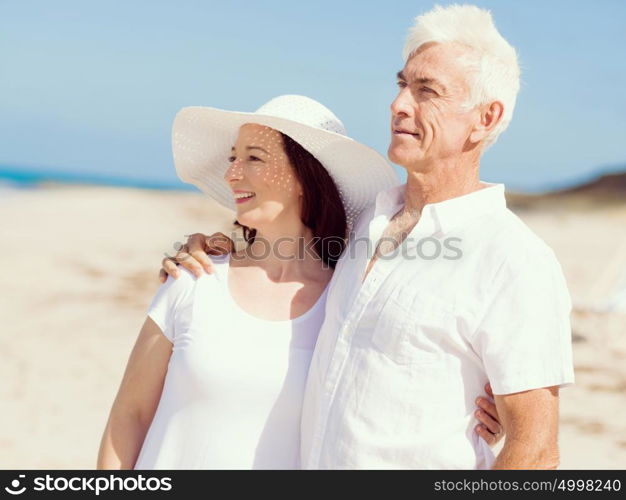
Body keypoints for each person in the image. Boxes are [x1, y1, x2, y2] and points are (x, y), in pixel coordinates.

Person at [161, 5, 574, 469]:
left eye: (427, 92)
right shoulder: (363, 224)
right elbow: (284, 261)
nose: (399, 105)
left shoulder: (513, 259)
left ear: (486, 118)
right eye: (402, 85)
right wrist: (213, 248)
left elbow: (535, 452)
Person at [97, 94, 504, 469]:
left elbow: (409, 385)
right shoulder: (194, 278)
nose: (232, 173)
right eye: (232, 157)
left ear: (303, 174)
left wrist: (478, 411)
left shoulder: (350, 302)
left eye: (253, 158)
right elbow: (129, 416)